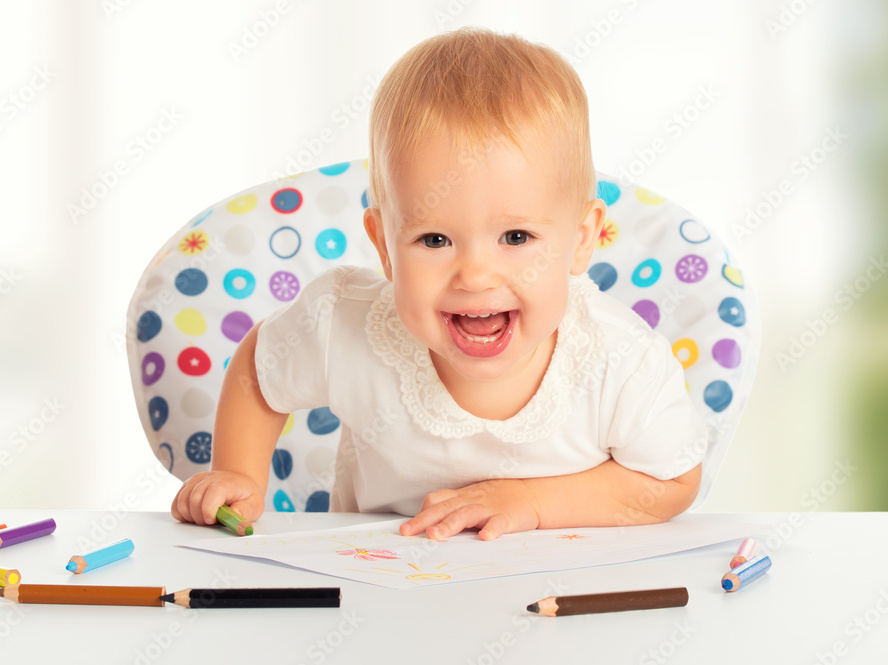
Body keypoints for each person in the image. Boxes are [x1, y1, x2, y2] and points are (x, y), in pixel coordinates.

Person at [171, 26, 705, 540]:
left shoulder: (621, 361)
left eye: (516, 236)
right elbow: (261, 373)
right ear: (383, 244)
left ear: (583, 239)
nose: (474, 275)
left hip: (557, 595)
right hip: (381, 588)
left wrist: (532, 503)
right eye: (434, 240)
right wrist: (239, 473)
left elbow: (672, 481)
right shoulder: (344, 325)